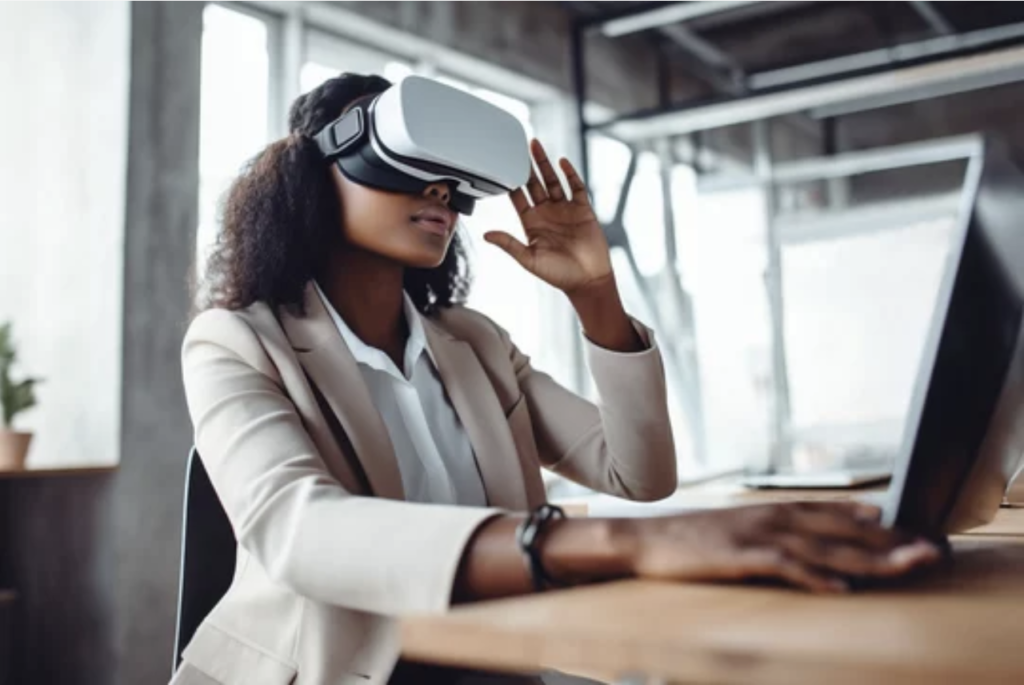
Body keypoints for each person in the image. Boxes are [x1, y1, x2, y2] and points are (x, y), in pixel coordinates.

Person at [174, 73, 940, 685]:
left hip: (495, 658)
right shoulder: (235, 342)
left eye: (449, 180)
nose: (440, 191)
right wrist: (620, 546)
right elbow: (300, 531)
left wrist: (593, 293)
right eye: (412, 166)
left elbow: (637, 474)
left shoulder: (471, 342)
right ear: (318, 175)